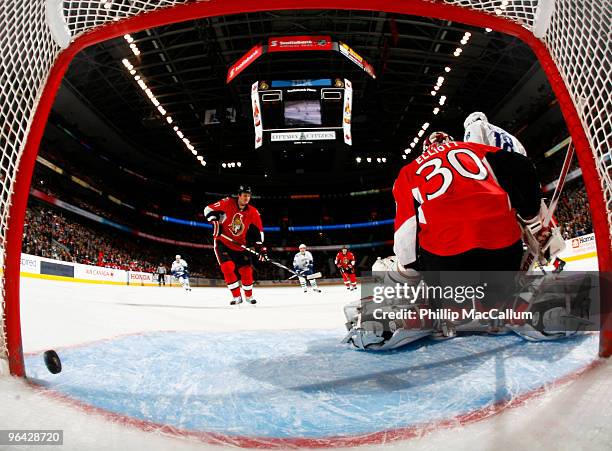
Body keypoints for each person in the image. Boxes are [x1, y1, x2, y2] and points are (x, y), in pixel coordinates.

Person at [204, 185, 265, 305]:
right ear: (239, 195)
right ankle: (236, 296)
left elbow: (260, 231)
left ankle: (248, 296)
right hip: (223, 242)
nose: (247, 198)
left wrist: (261, 248)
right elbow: (207, 209)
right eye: (244, 195)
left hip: (240, 245)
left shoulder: (253, 211)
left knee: (247, 271)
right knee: (227, 267)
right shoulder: (227, 203)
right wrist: (215, 220)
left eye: (248, 196)